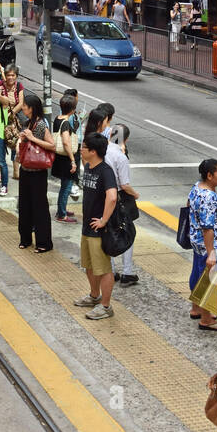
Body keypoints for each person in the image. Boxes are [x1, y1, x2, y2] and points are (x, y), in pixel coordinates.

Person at [74, 133, 118, 320]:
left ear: (93, 151)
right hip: (87, 226)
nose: (80, 149)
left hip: (98, 229)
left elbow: (113, 196)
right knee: (89, 265)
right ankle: (94, 296)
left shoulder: (105, 171)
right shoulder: (88, 166)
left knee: (103, 268)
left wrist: (104, 220)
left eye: (83, 147)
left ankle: (106, 306)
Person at [97, 103, 139, 285]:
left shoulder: (101, 150)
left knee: (109, 232)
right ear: (125, 140)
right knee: (126, 231)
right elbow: (125, 184)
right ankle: (127, 272)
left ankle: (111, 270)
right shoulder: (120, 156)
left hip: (103, 196)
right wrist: (135, 194)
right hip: (120, 197)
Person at [186, 158, 217, 330]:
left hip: (196, 240)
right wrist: (211, 253)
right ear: (209, 175)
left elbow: (188, 206)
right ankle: (206, 318)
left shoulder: (197, 188)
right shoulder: (209, 197)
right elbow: (208, 228)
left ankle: (196, 308)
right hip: (209, 244)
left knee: (197, 273)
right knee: (209, 281)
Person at [15, 92, 56, 253]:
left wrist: (31, 138)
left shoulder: (40, 125)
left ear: (31, 108)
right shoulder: (27, 122)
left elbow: (52, 146)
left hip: (38, 172)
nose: (23, 107)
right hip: (25, 170)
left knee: (39, 207)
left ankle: (44, 242)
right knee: (24, 206)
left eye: (24, 106)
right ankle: (25, 239)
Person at [52, 92, 81, 224]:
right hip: (66, 159)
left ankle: (61, 209)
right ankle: (62, 214)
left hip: (59, 158)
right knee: (66, 187)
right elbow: (66, 142)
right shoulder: (65, 123)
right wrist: (73, 160)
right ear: (73, 109)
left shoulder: (57, 118)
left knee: (64, 186)